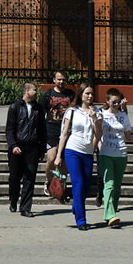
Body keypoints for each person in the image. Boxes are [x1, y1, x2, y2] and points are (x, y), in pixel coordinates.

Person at [53, 83, 103, 230]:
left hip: (87, 152)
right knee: (78, 182)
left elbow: (99, 135)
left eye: (92, 94)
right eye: (87, 93)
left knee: (86, 184)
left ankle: (76, 206)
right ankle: (81, 220)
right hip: (73, 150)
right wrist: (58, 155)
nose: (90, 96)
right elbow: (64, 134)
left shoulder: (97, 112)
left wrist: (95, 119)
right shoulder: (72, 111)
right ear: (81, 95)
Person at [5, 82, 47, 217]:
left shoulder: (39, 108)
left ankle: (25, 207)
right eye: (35, 90)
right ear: (27, 91)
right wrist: (13, 145)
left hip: (32, 147)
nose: (37, 92)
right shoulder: (15, 107)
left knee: (30, 178)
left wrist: (42, 149)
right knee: (15, 178)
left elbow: (42, 130)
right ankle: (13, 200)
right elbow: (10, 129)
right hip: (17, 148)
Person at [97, 87, 132, 228]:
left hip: (121, 153)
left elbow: (128, 136)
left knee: (117, 186)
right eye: (113, 102)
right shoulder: (102, 114)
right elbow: (96, 130)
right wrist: (97, 143)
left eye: (118, 101)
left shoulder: (123, 116)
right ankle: (110, 215)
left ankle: (112, 212)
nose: (116, 104)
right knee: (109, 184)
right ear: (107, 101)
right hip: (106, 153)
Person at [39, 71, 75, 200]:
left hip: (67, 131)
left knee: (64, 162)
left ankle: (62, 186)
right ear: (54, 80)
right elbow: (41, 111)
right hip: (51, 131)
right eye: (59, 79)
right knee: (52, 158)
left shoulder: (70, 94)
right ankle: (48, 181)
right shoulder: (48, 94)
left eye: (63, 79)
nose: (61, 82)